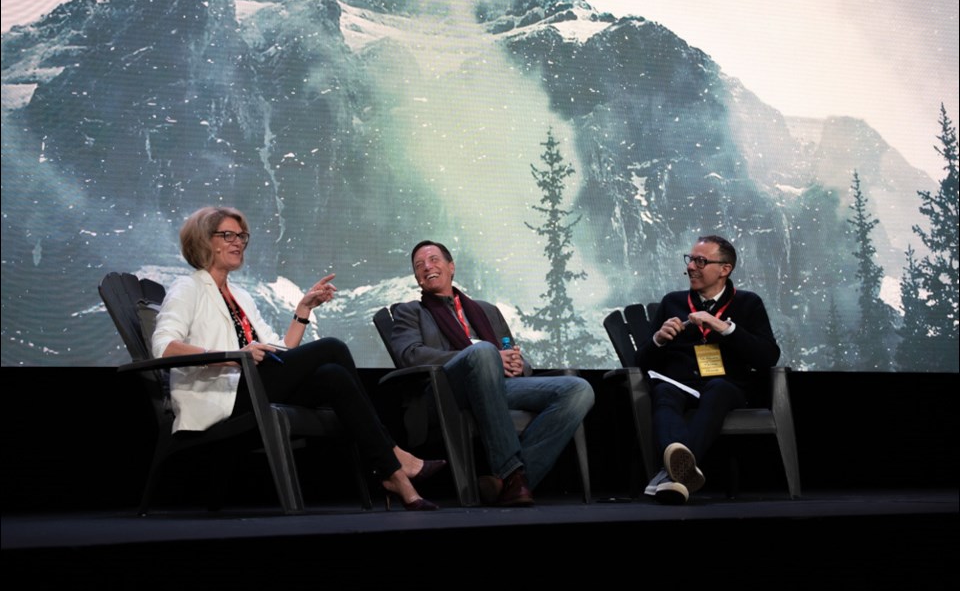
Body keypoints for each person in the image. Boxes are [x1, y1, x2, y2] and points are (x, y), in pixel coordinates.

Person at [152, 206, 444, 511]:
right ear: (204, 240)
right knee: (332, 347)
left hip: (250, 385)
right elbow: (163, 347)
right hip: (220, 396)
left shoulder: (240, 295)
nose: (238, 242)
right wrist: (234, 358)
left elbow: (280, 349)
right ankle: (394, 455)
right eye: (228, 235)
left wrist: (303, 310)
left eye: (242, 236)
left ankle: (395, 476)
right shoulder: (188, 288)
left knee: (334, 376)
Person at [390, 240, 595, 506]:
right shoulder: (410, 312)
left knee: (579, 389)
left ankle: (506, 483)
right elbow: (409, 355)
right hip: (446, 393)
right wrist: (480, 356)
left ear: (451, 267)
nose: (427, 267)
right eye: (419, 265)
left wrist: (519, 365)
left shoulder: (486, 311)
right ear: (417, 278)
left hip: (495, 386)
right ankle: (511, 470)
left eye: (434, 260)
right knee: (484, 351)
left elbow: (512, 351)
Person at [636, 234, 781, 504]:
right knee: (664, 391)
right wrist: (658, 339)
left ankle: (668, 476)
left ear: (725, 269)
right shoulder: (672, 302)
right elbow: (641, 361)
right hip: (681, 385)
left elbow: (768, 356)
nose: (691, 267)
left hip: (728, 387)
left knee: (718, 388)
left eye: (701, 261)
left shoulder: (748, 303)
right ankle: (677, 476)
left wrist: (726, 329)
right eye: (691, 260)